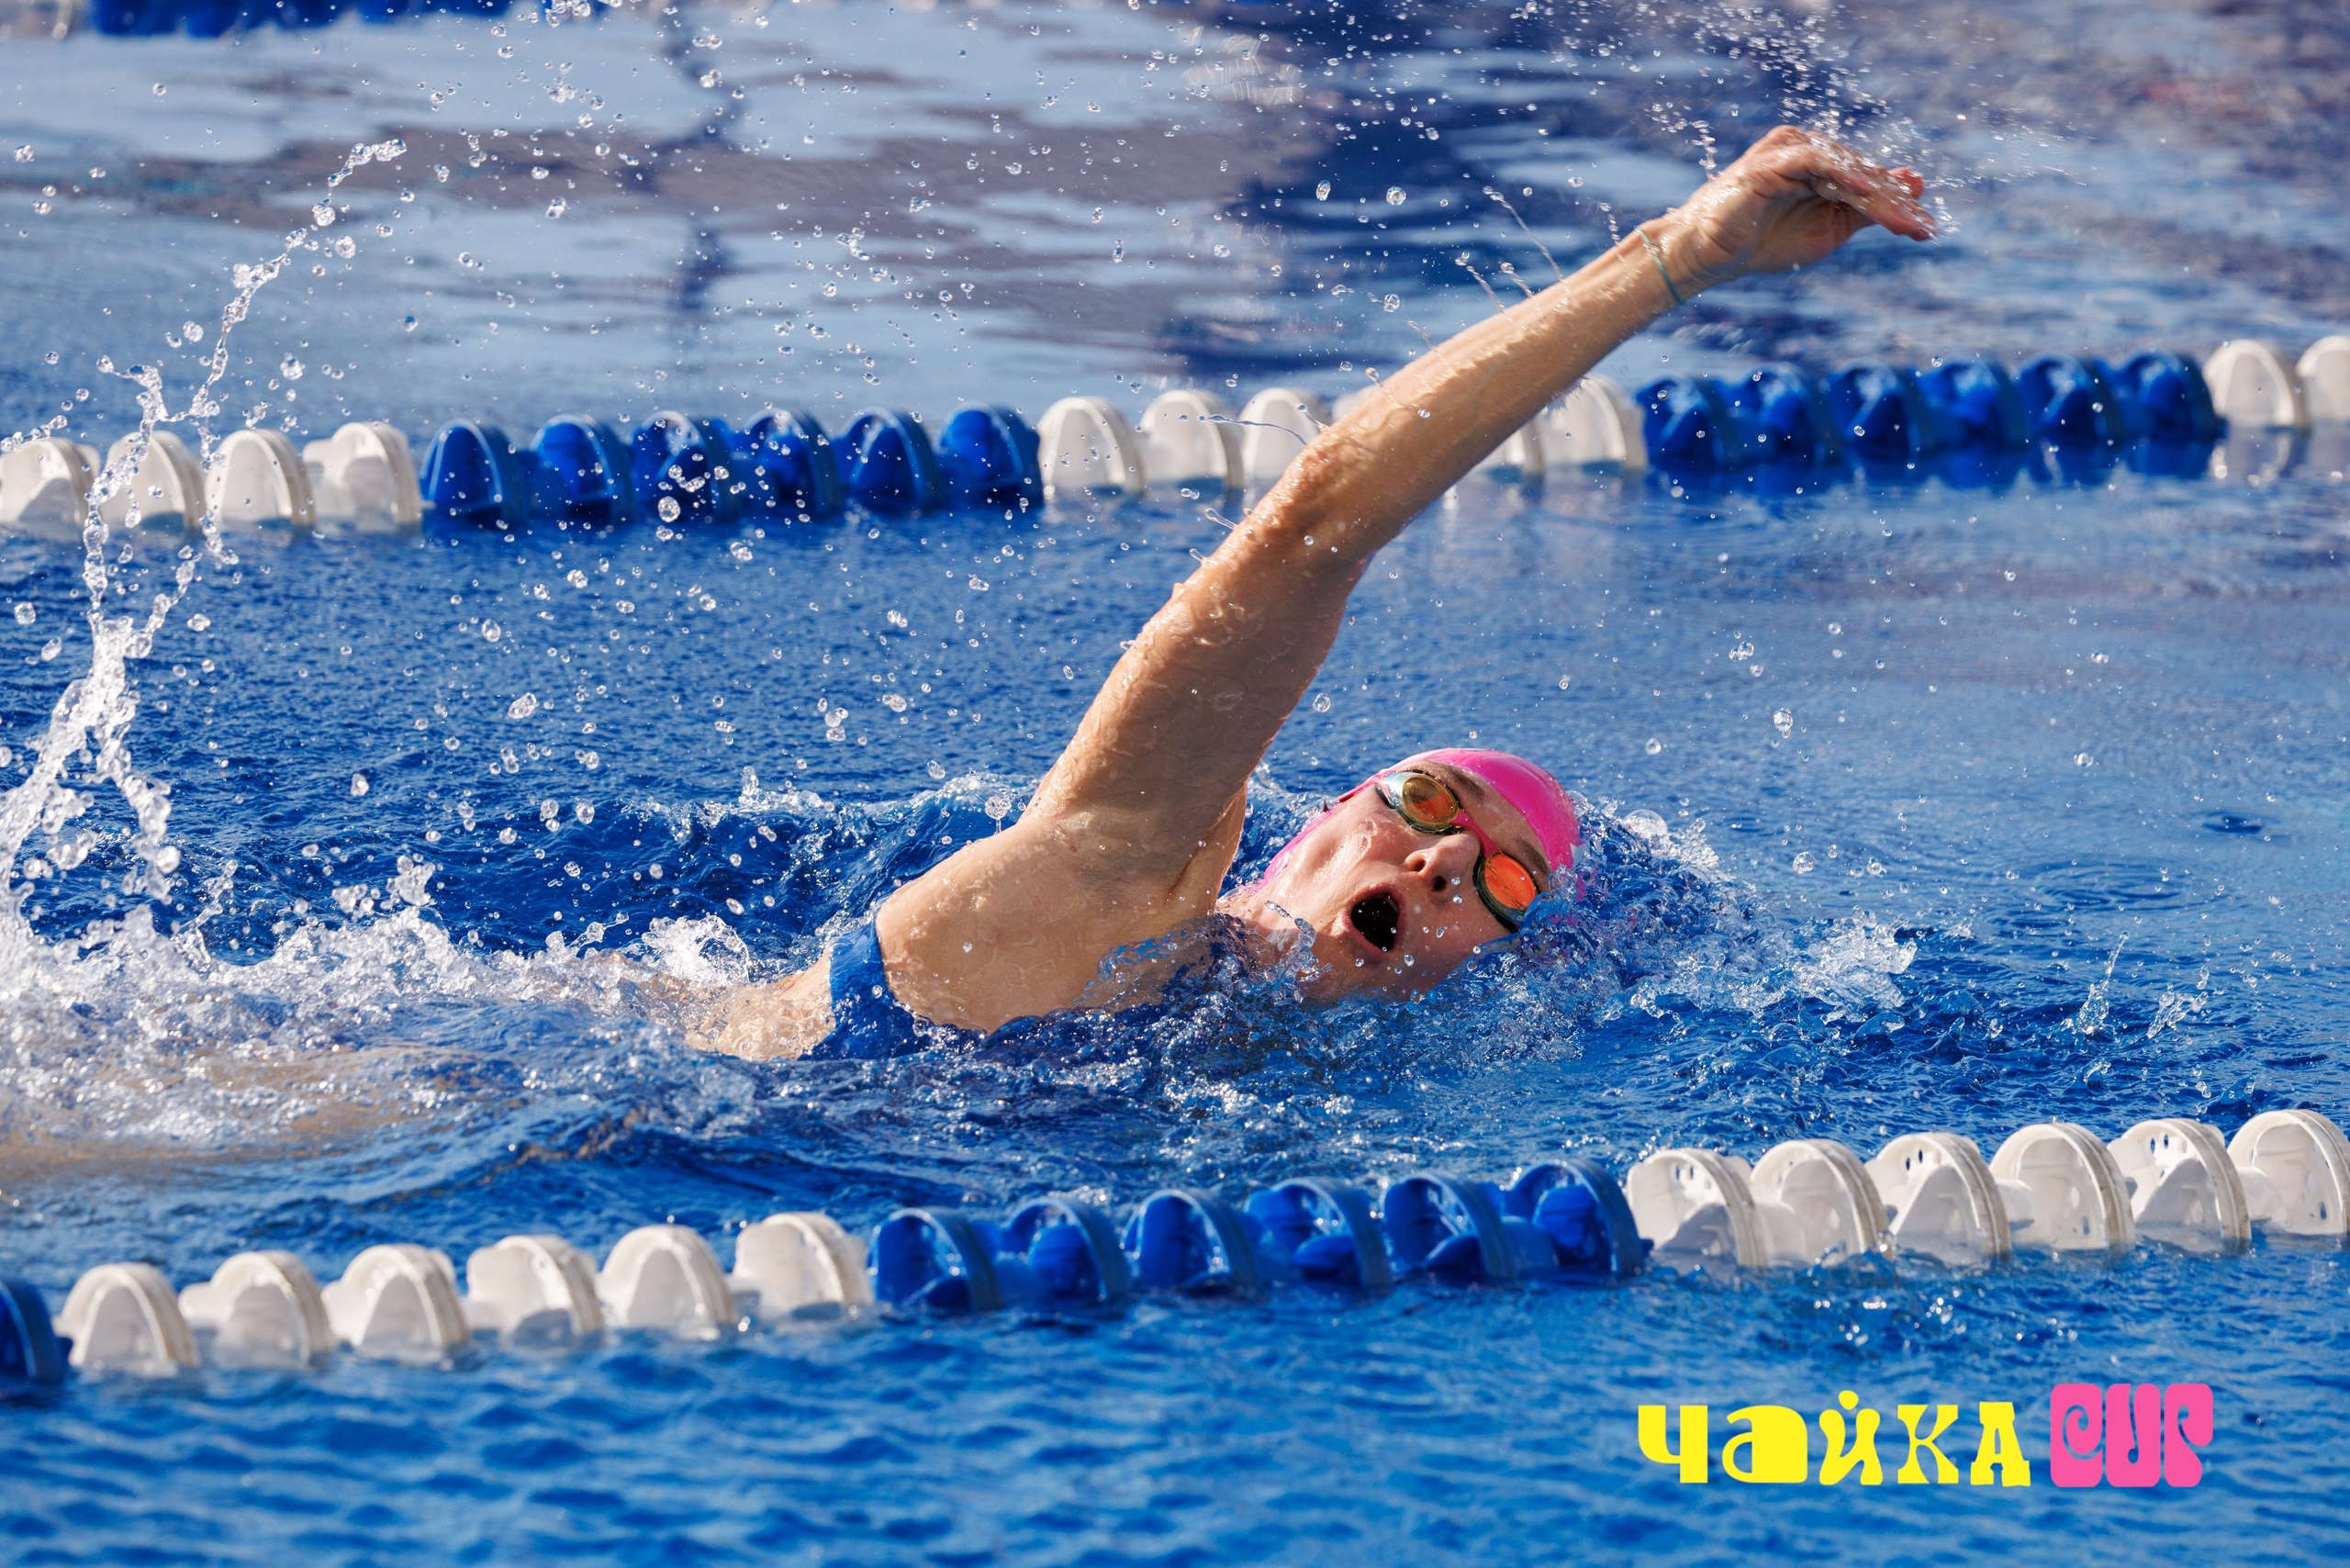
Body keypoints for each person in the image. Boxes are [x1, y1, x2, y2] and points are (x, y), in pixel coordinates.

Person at [702, 126, 1935, 1060]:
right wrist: (1670, 263)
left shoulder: (1276, 1100)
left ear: (1499, 966)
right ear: (1310, 824)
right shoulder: (1110, 886)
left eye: (1505, 882)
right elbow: (1310, 528)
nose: (1447, 854)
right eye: (1427, 803)